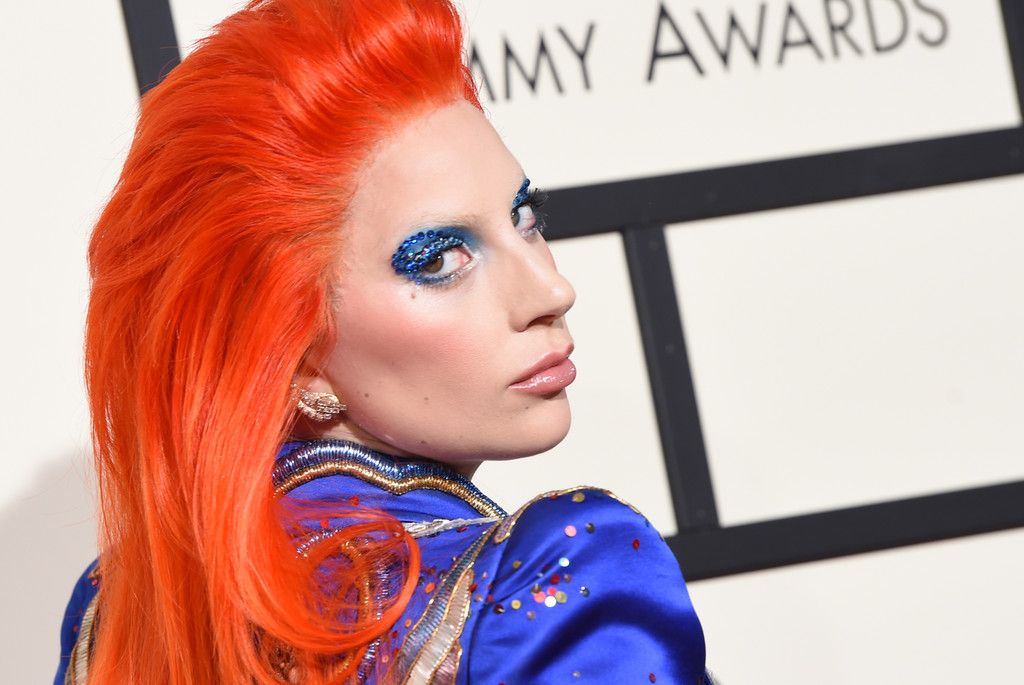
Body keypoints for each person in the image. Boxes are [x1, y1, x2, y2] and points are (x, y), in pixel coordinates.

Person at [55, 0, 710, 682]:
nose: (551, 290)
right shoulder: (561, 583)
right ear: (294, 356)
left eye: (525, 217)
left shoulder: (118, 609)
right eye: (441, 259)